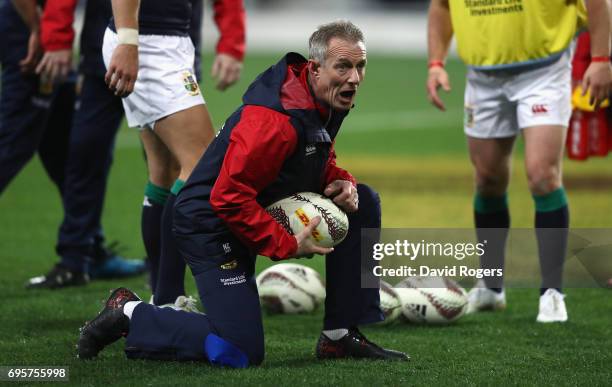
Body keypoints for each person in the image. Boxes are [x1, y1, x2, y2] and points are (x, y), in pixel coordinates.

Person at [77, 20, 409, 366]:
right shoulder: (272, 121)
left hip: (252, 207)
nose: (354, 78)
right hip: (210, 223)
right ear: (314, 69)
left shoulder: (318, 98)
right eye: (343, 66)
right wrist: (285, 243)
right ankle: (130, 313)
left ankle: (340, 336)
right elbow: (227, 196)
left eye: (360, 66)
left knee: (363, 201)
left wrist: (340, 181)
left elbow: (312, 156)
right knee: (240, 350)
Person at [426, 0, 612, 322]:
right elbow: (441, 6)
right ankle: (492, 287)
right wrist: (436, 62)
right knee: (487, 180)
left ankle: (552, 292)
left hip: (544, 71)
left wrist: (600, 59)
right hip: (482, 77)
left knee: (542, 176)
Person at [100, 0, 244, 309]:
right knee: (202, 163)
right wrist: (128, 41)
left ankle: (164, 296)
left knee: (163, 172)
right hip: (149, 43)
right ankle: (169, 297)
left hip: (166, 39)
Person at [22, 0, 149, 289]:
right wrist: (56, 38)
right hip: (101, 54)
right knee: (84, 153)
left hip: (165, 52)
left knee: (167, 165)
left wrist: (230, 45)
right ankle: (76, 258)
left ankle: (170, 261)